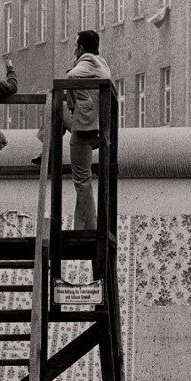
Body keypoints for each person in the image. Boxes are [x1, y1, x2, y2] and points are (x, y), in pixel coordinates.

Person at [65, 30, 111, 231]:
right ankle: (80, 225)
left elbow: (70, 76)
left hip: (85, 126)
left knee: (82, 179)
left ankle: (90, 227)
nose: (75, 51)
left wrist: (73, 102)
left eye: (76, 47)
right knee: (55, 111)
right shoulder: (102, 62)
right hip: (96, 123)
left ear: (81, 48)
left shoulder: (87, 62)